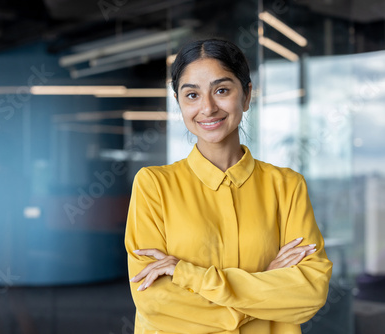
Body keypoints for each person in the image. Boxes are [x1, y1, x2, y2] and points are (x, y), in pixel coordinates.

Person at [124, 38, 332, 334]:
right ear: (179, 103)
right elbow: (156, 302)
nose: (207, 108)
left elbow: (310, 291)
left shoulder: (286, 186)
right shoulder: (153, 186)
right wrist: (265, 286)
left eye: (222, 90)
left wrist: (190, 276)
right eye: (192, 95)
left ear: (246, 95)